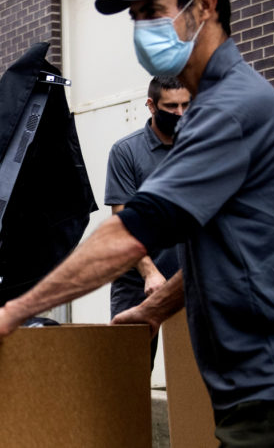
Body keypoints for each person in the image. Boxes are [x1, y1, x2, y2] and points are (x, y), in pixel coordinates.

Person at [0, 0, 274, 446]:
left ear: (204, 6)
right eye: (135, 17)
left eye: (153, 11)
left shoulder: (231, 110)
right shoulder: (210, 108)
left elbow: (131, 232)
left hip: (273, 389)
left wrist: (10, 312)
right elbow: (223, 246)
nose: (141, 30)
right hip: (261, 386)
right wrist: (153, 310)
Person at [105, 76, 190, 369]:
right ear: (151, 106)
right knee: (129, 370)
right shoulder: (126, 152)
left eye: (186, 105)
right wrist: (150, 273)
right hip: (137, 281)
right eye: (171, 106)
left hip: (189, 279)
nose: (180, 113)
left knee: (198, 375)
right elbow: (124, 224)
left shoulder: (199, 147)